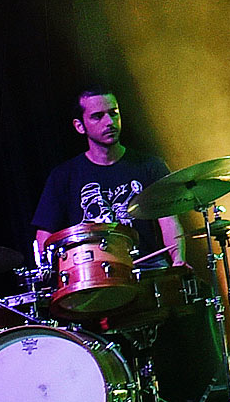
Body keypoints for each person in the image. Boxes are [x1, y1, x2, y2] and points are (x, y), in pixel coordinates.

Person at [33, 88, 183, 268]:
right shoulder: (63, 176)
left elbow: (168, 220)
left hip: (148, 267)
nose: (109, 122)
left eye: (113, 113)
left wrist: (178, 259)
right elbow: (44, 235)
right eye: (98, 116)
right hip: (93, 273)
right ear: (80, 126)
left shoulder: (150, 166)